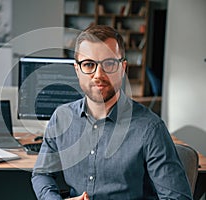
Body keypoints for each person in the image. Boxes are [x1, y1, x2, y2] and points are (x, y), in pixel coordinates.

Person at [31, 25, 192, 200]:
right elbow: (42, 174)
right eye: (88, 64)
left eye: (109, 64)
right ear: (77, 70)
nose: (98, 74)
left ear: (123, 68)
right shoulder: (61, 118)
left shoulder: (150, 129)